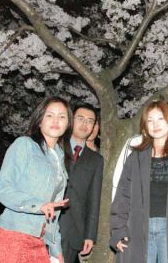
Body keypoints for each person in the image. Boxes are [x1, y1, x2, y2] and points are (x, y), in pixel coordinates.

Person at [110, 100, 168, 262]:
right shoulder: (136, 157)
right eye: (150, 120)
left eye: (160, 118)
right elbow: (122, 197)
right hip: (139, 229)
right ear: (144, 126)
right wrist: (118, 231)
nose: (155, 124)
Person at [0, 96, 72, 263]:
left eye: (62, 116)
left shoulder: (60, 157)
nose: (56, 120)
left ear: (68, 124)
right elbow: (3, 188)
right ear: (39, 121)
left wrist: (56, 250)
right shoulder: (24, 145)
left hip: (39, 242)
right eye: (50, 115)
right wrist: (38, 205)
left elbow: (53, 212)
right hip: (13, 236)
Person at [59, 103, 104, 263]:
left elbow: (94, 199)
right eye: (81, 118)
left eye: (90, 121)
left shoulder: (96, 160)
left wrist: (90, 235)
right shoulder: (56, 145)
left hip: (73, 231)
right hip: (45, 225)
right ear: (71, 120)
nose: (85, 124)